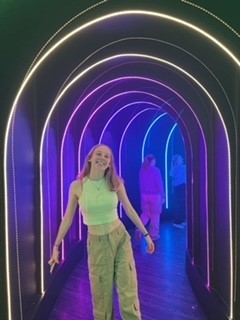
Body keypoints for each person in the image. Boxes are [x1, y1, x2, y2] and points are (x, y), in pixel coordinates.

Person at [48, 144, 155, 320]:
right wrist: (56, 246)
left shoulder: (115, 183)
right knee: (102, 298)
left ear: (110, 163)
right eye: (99, 154)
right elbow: (67, 218)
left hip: (120, 238)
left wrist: (146, 235)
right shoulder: (77, 186)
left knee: (128, 292)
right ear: (90, 158)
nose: (103, 158)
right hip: (97, 243)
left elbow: (129, 209)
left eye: (107, 156)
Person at [137, 154, 165, 241]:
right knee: (155, 216)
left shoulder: (142, 171)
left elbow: (140, 184)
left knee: (145, 214)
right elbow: (159, 184)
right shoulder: (156, 170)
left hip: (144, 195)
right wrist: (163, 195)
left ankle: (139, 229)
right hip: (155, 196)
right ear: (152, 161)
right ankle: (154, 235)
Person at [169, 154, 187, 229]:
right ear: (177, 161)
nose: (182, 158)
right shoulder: (183, 167)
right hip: (181, 187)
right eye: (180, 158)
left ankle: (180, 220)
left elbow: (171, 175)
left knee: (181, 204)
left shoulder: (174, 168)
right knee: (181, 204)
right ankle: (177, 221)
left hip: (178, 187)